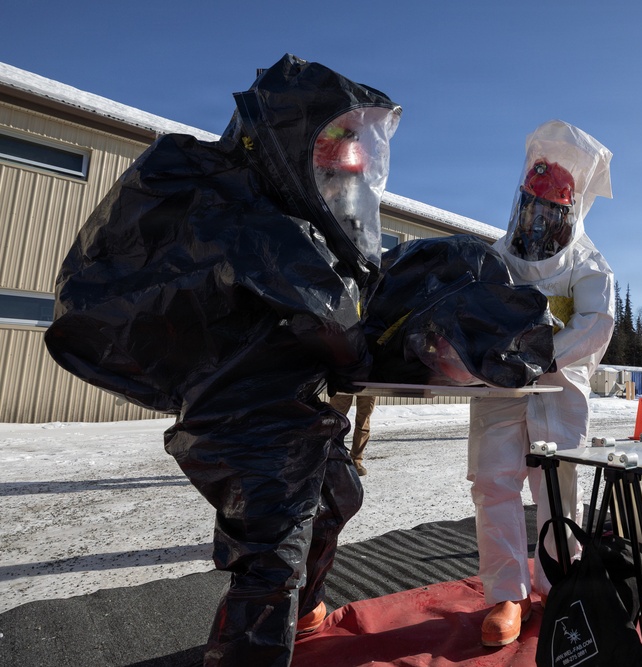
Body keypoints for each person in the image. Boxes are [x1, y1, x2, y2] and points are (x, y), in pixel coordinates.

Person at [44, 55, 401, 666]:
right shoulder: (247, 216)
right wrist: (380, 346)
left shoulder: (255, 206)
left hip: (276, 404)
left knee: (338, 495)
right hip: (246, 417)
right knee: (271, 564)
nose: (343, 180)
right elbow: (333, 318)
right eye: (333, 156)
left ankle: (304, 603)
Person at [467, 120, 615, 646]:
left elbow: (595, 323)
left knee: (558, 488)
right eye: (530, 207)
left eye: (547, 210)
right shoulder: (495, 258)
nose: (535, 219)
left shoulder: (588, 264)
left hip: (557, 389)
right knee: (494, 483)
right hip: (501, 388)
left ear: (566, 212)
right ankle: (508, 595)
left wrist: (541, 353)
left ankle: (558, 582)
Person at [329, 393, 377, 475]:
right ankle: (333, 459)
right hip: (344, 385)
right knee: (335, 420)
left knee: (363, 423)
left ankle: (356, 460)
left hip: (369, 386)